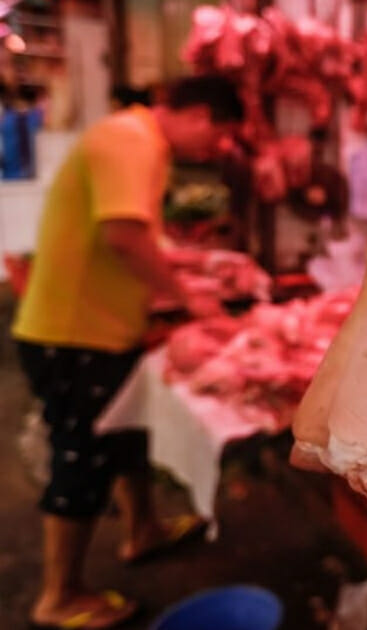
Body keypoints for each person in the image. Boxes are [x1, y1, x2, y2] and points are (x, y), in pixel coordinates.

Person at [12, 75, 244, 630]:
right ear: (199, 116)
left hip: (101, 331)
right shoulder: (132, 140)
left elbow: (134, 236)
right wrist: (187, 298)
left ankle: (144, 529)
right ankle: (58, 595)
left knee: (127, 436)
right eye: (217, 139)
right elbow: (122, 234)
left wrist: (187, 270)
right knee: (83, 459)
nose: (212, 152)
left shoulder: (139, 142)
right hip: (72, 335)